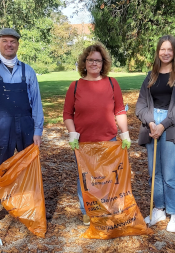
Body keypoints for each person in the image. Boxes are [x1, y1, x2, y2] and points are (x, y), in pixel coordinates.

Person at [0, 28, 44, 232]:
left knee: (28, 168)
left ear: (18, 44)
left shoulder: (27, 71)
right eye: (5, 41)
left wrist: (38, 129)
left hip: (26, 125)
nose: (9, 44)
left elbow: (37, 102)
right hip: (1, 126)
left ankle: (30, 209)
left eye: (13, 41)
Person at [63, 42, 131, 225]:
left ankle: (107, 207)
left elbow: (119, 111)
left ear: (103, 63)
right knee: (85, 178)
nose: (94, 63)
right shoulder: (75, 86)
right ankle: (87, 210)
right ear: (84, 63)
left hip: (108, 140)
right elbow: (67, 114)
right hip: (83, 143)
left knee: (107, 177)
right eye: (91, 60)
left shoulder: (111, 83)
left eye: (98, 61)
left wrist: (124, 134)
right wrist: (72, 133)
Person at [135, 35, 175, 232]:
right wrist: (151, 122)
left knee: (169, 173)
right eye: (162, 49)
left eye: (169, 49)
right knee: (154, 173)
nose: (165, 53)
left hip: (171, 126)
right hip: (151, 126)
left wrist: (163, 124)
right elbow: (140, 105)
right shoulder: (151, 76)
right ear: (158, 51)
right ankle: (158, 209)